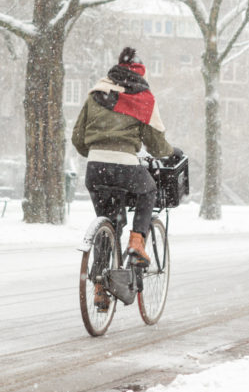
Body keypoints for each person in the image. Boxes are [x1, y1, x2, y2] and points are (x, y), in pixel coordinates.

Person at [71, 47, 181, 311]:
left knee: (109, 223)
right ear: (141, 73)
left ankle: (100, 287)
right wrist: (170, 152)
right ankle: (137, 243)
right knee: (148, 189)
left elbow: (78, 138)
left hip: (95, 168)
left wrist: (98, 153)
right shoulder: (143, 98)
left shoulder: (96, 93)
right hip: (126, 168)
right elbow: (156, 145)